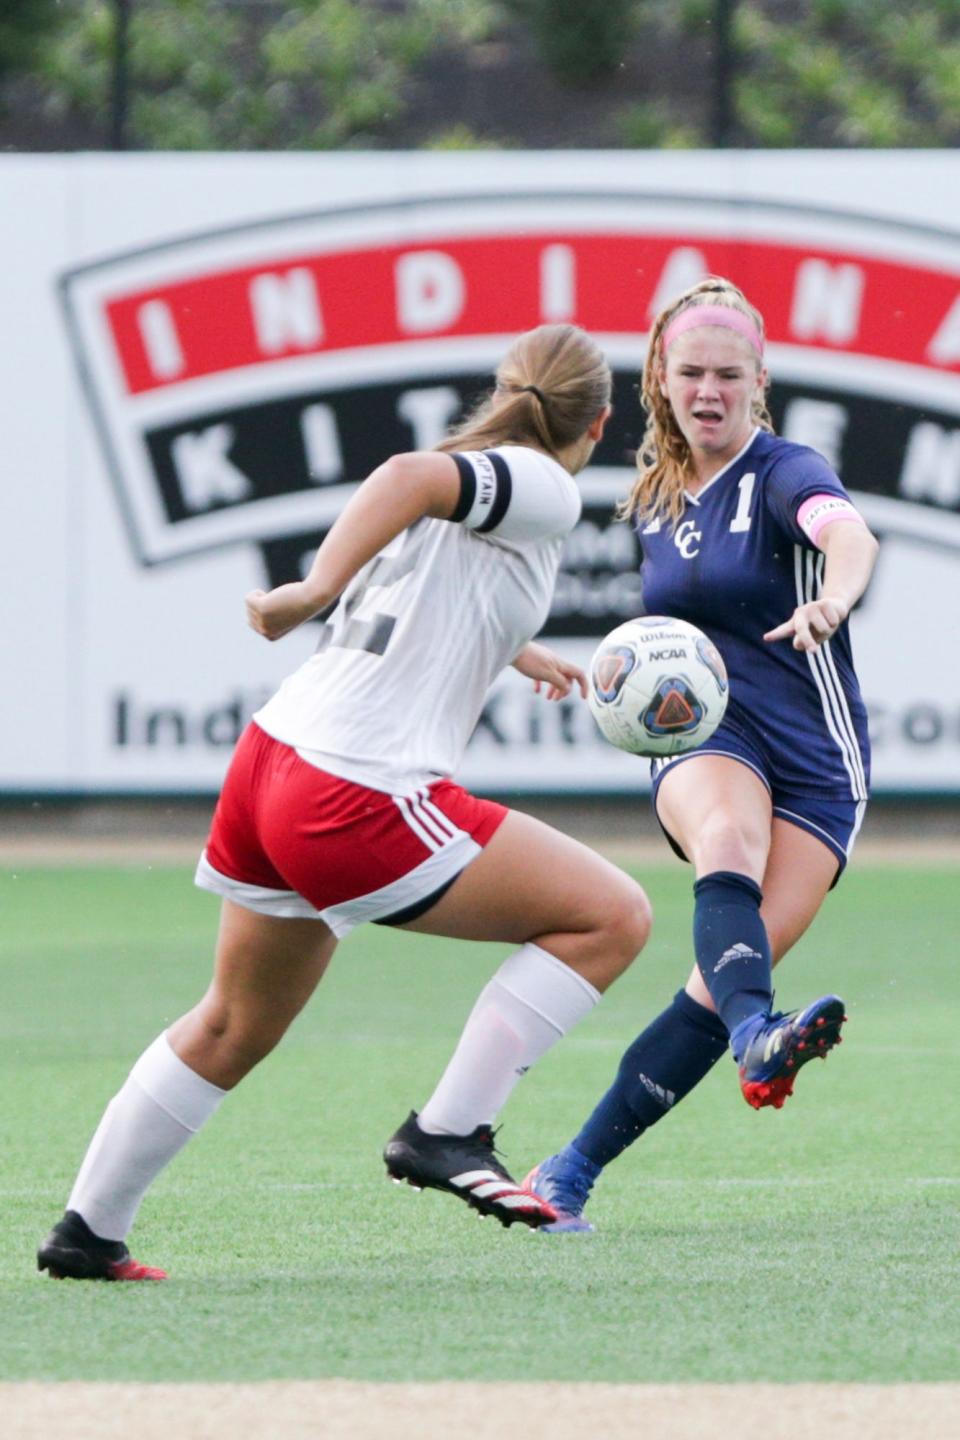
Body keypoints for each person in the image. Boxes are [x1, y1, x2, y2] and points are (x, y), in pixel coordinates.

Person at [37, 323, 653, 1280]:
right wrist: (312, 589)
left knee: (234, 1022)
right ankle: (450, 1130)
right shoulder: (545, 481)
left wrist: (518, 650)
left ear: (503, 388)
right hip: (353, 790)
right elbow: (408, 478)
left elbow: (432, 577)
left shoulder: (482, 472)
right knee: (612, 916)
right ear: (601, 423)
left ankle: (88, 1231)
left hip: (271, 763)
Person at [525, 277, 879, 1232]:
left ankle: (566, 1171)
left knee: (717, 985)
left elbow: (847, 534)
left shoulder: (785, 470)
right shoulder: (653, 497)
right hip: (705, 735)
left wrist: (833, 600)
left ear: (760, 381)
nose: (710, 389)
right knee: (726, 835)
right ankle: (760, 1034)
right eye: (692, 372)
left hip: (818, 761)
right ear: (662, 380)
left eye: (730, 373)